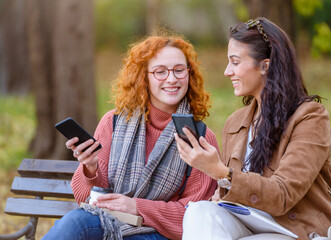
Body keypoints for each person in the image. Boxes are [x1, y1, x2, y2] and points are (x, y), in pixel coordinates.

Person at [175, 17, 331, 240]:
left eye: (235, 62)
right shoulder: (236, 122)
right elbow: (236, 188)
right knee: (200, 212)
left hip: (296, 230)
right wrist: (220, 193)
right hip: (249, 221)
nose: (226, 71)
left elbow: (283, 195)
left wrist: (221, 172)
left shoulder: (310, 118)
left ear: (265, 66)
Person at [43, 33, 219, 240]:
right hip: (110, 224)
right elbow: (85, 199)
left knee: (83, 224)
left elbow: (196, 216)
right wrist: (90, 168)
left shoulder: (199, 137)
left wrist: (136, 206)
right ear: (143, 77)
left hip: (161, 234)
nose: (172, 79)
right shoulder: (114, 123)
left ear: (189, 74)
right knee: (78, 221)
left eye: (179, 70)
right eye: (160, 71)